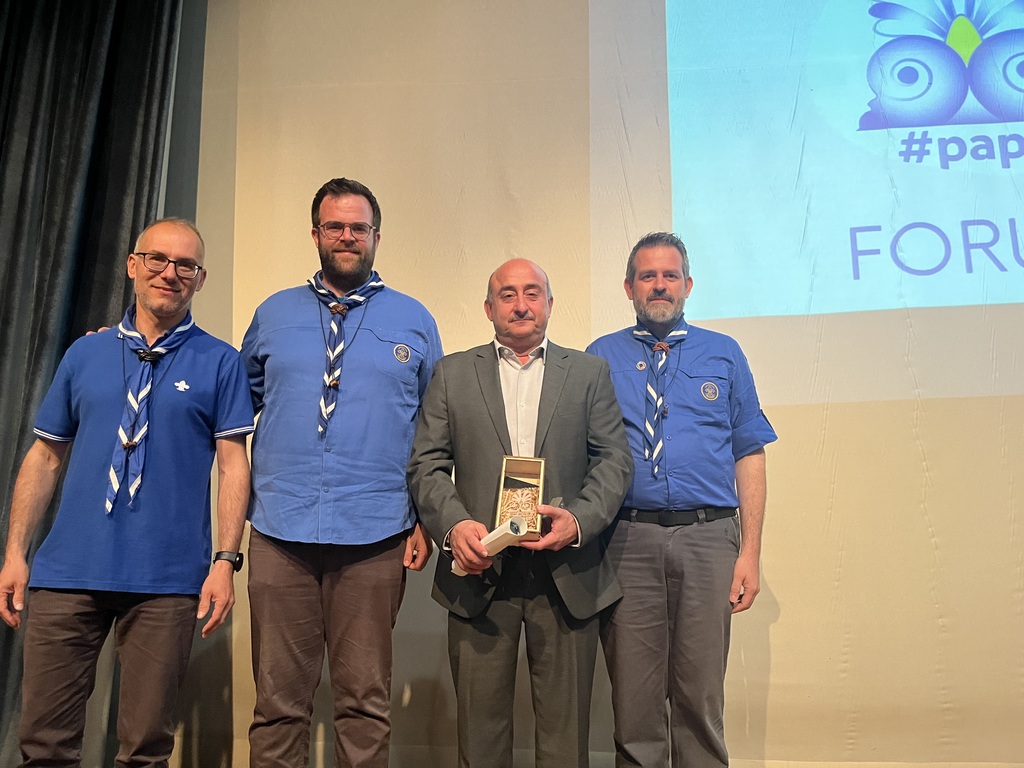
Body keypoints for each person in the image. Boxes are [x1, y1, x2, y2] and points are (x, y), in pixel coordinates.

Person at [0, 218, 254, 767]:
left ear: (200, 279)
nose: (170, 273)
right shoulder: (84, 353)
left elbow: (234, 466)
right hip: (67, 574)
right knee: (43, 744)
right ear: (133, 265)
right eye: (158, 259)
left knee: (145, 749)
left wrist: (225, 561)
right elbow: (45, 457)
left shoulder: (221, 362)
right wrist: (15, 552)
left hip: (167, 581)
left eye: (185, 265)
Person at [242, 177, 442, 768]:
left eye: (359, 227)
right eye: (335, 226)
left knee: (364, 705)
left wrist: (425, 518)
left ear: (377, 236)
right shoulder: (273, 314)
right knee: (278, 706)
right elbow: (234, 404)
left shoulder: (413, 319)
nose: (347, 237)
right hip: (280, 531)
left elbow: (434, 430)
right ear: (316, 235)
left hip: (376, 534)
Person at [407, 258, 633, 768]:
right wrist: (454, 527)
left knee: (565, 743)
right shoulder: (452, 374)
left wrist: (579, 521)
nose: (521, 305)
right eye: (507, 295)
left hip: (567, 574)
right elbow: (426, 465)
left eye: (533, 293)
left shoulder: (589, 374)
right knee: (479, 739)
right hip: (480, 571)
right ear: (489, 309)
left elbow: (615, 461)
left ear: (549, 305)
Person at [586, 232, 778, 768]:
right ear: (629, 287)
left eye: (670, 275)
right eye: (647, 276)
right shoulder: (600, 356)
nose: (659, 285)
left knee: (700, 696)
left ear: (688, 285)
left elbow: (750, 452)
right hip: (627, 540)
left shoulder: (724, 353)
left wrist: (750, 552)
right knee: (635, 701)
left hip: (708, 538)